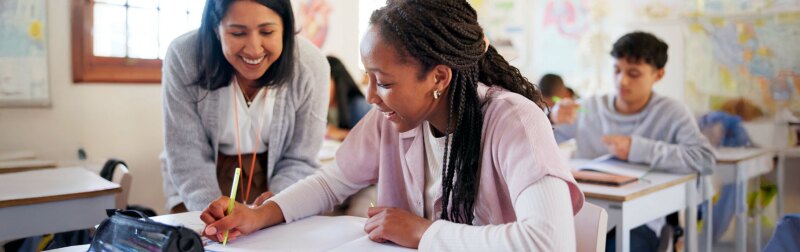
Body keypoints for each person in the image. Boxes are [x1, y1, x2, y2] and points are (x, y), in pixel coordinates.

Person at [199, 0, 584, 250]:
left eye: (383, 81)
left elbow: (548, 242)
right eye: (368, 77)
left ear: (438, 77)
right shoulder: (394, 119)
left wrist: (421, 232)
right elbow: (332, 182)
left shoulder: (512, 119)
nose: (370, 96)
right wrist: (258, 214)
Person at [160, 0, 330, 213]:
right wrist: (209, 207)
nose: (253, 49)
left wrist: (274, 207)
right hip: (198, 179)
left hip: (276, 177)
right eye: (238, 33)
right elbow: (186, 152)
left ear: (285, 28)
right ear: (216, 28)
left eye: (267, 32)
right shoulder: (184, 56)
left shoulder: (311, 65)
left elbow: (300, 158)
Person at [550, 31, 715, 251]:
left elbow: (704, 159)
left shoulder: (671, 112)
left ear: (659, 74)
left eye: (634, 73)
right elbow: (535, 140)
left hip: (643, 222)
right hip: (581, 217)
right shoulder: (589, 108)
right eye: (616, 70)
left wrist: (636, 149)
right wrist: (550, 118)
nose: (622, 80)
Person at [325, 56, 371, 141]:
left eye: (324, 81)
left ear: (337, 81)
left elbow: (376, 140)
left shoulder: (359, 106)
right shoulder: (325, 110)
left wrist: (342, 134)